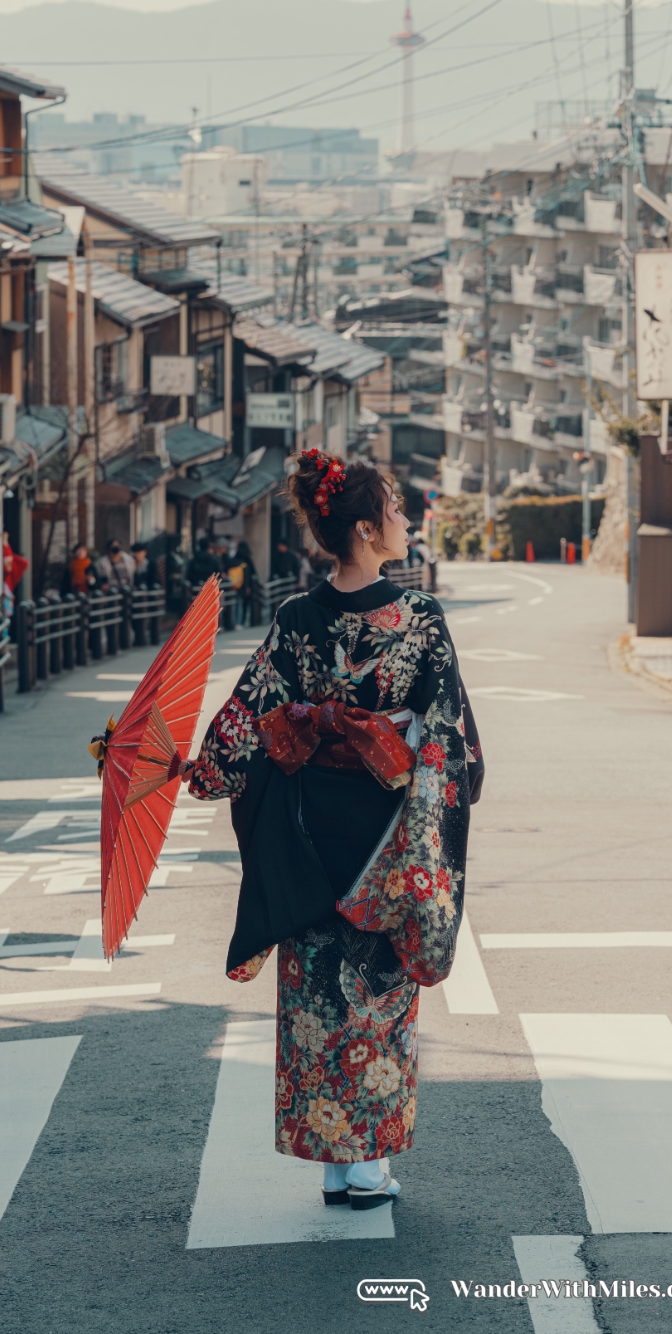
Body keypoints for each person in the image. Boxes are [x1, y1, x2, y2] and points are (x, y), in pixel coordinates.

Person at [185, 451, 484, 1211]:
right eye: (395, 508)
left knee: (316, 992)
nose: (407, 520)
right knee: (377, 992)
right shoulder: (417, 618)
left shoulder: (295, 617)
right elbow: (450, 738)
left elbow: (249, 715)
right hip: (385, 833)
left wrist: (198, 770)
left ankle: (330, 1158)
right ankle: (369, 1165)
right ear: (363, 527)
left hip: (307, 828)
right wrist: (445, 775)